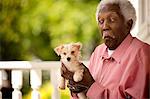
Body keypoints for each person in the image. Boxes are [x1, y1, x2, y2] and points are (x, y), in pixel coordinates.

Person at [61, 0, 150, 98]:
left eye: (112, 19)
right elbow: (85, 91)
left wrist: (90, 86)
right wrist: (76, 85)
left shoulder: (143, 53)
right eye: (101, 21)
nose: (104, 27)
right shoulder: (98, 51)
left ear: (128, 24)